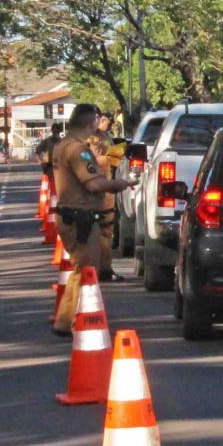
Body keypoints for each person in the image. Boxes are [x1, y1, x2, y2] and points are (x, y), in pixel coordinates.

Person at [51, 104, 134, 336]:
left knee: (82, 269)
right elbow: (94, 184)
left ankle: (66, 319)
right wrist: (119, 184)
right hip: (81, 218)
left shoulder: (61, 146)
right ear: (92, 123)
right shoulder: (79, 150)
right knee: (87, 270)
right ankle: (79, 320)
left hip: (71, 215)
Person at [91, 110, 124, 282]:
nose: (108, 125)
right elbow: (102, 160)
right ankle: (101, 269)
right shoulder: (93, 139)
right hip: (99, 189)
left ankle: (104, 267)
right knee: (102, 231)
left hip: (105, 189)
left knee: (106, 232)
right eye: (106, 122)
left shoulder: (103, 136)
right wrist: (118, 153)